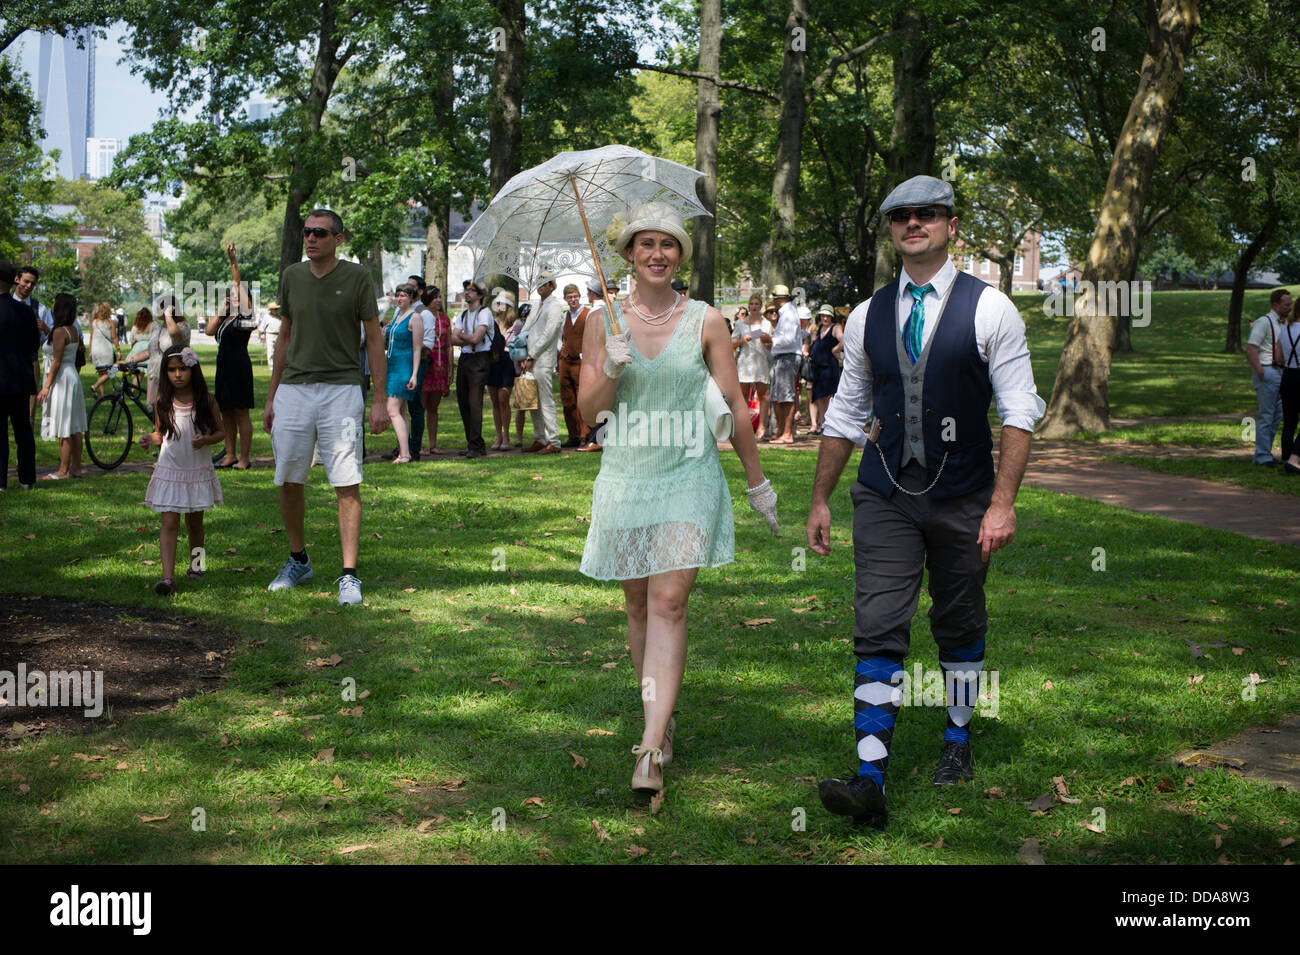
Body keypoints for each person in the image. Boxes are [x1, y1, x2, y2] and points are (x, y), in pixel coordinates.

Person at [806, 175, 1045, 829]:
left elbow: (1020, 411)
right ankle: (870, 774)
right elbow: (848, 413)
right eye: (901, 216)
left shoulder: (991, 308)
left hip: (965, 491)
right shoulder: (866, 315)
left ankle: (958, 737)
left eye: (928, 214)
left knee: (959, 619)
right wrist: (822, 497)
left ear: (950, 225)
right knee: (879, 619)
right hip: (885, 491)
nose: (914, 224)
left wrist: (1003, 503)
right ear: (890, 229)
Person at [578, 201, 779, 795]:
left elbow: (734, 405)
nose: (658, 254)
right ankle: (657, 721)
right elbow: (591, 415)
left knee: (668, 602)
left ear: (680, 255)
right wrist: (611, 368)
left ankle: (648, 750)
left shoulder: (708, 320)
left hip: (689, 472)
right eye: (647, 245)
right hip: (627, 475)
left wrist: (756, 480)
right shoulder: (601, 321)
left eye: (669, 245)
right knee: (637, 606)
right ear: (629, 254)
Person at [263, 208, 389, 606]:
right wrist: (271, 397)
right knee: (288, 477)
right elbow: (284, 337)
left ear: (339, 239)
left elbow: (373, 340)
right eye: (306, 232)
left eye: (319, 233)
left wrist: (380, 400)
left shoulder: (357, 278)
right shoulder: (292, 277)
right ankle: (298, 560)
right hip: (294, 391)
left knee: (346, 480)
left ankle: (349, 575)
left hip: (341, 390)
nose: (311, 238)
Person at [139, 345, 225, 595]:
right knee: (168, 522)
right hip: (170, 470)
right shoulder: (162, 402)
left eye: (183, 369)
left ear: (193, 370)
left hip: (195, 470)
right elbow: (161, 433)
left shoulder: (206, 401)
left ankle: (197, 566)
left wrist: (207, 440)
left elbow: (221, 432)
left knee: (195, 525)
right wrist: (150, 438)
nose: (177, 374)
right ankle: (167, 578)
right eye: (172, 370)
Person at [209, 245, 257, 470]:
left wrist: (233, 261)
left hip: (239, 368)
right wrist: (221, 310)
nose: (234, 298)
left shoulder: (244, 318)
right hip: (224, 368)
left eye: (237, 296)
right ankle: (230, 454)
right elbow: (209, 331)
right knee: (226, 411)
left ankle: (244, 458)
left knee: (241, 413)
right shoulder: (225, 319)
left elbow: (238, 283)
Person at [36, 293, 87, 479]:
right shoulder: (72, 330)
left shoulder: (59, 332)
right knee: (74, 425)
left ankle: (63, 470)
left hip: (61, 378)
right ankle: (76, 467)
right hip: (71, 375)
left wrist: (46, 387)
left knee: (64, 425)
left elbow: (56, 361)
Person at [0, 260, 39, 490]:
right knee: (23, 431)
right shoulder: (26, 312)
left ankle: (1, 481)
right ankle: (27, 478)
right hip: (21, 378)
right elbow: (33, 345)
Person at [520, 272, 564, 454]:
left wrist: (531, 354)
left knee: (546, 401)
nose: (540, 286)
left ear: (551, 286)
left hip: (543, 359)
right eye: (538, 283)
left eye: (544, 283)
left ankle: (553, 440)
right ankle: (539, 437)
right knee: (532, 400)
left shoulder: (555, 306)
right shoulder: (537, 304)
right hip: (530, 357)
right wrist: (520, 348)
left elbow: (549, 333)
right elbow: (526, 327)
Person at [1247, 288, 1291, 467]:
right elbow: (1251, 348)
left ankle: (1266, 452)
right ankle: (1262, 456)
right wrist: (1259, 370)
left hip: (1280, 371)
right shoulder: (1263, 322)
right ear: (1275, 305)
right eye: (1286, 304)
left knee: (1276, 415)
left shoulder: (1283, 322)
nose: (1289, 307)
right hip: (1268, 370)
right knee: (1267, 414)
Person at [450, 280, 492, 458]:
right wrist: (466, 337)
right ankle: (472, 443)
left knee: (475, 403)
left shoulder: (485, 313)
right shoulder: (464, 314)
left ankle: (476, 445)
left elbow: (477, 338)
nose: (467, 293)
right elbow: (453, 338)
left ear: (480, 295)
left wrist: (463, 336)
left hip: (480, 358)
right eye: (466, 290)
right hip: (466, 357)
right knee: (463, 401)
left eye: (471, 291)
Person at [383, 285, 424, 463]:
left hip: (404, 367)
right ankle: (404, 451)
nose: (400, 299)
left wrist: (414, 374)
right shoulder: (396, 316)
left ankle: (405, 453)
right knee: (400, 410)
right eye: (398, 295)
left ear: (411, 298)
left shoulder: (415, 317)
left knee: (392, 409)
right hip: (392, 366)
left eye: (404, 296)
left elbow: (417, 349)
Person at [12, 265, 52, 428]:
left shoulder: (40, 308)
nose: (29, 286)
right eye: (26, 281)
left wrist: (45, 329)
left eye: (32, 284)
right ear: (17, 279)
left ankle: (27, 428)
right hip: (7, 360)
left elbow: (51, 339)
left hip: (31, 360)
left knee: (30, 402)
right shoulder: (5, 303)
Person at [486, 289, 522, 451]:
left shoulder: (516, 324)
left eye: (502, 303)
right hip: (493, 361)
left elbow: (522, 343)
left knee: (503, 399)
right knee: (494, 400)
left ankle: (506, 435)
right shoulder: (491, 322)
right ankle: (498, 435)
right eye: (497, 302)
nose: (499, 306)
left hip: (508, 362)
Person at [731, 302, 773, 440]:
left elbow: (771, 346)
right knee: (743, 395)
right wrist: (743, 339)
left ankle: (761, 426)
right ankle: (744, 427)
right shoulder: (740, 324)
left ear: (760, 306)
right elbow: (732, 344)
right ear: (749, 306)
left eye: (757, 304)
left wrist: (767, 341)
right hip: (745, 361)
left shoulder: (766, 323)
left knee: (763, 395)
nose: (754, 306)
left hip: (760, 360)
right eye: (752, 304)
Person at [558, 283, 591, 448]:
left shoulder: (588, 314)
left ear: (580, 296)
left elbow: (593, 336)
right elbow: (560, 338)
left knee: (582, 399)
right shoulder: (564, 316)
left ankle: (585, 434)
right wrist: (561, 353)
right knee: (567, 399)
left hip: (581, 362)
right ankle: (573, 435)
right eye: (570, 297)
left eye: (575, 296)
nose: (573, 299)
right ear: (565, 299)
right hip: (565, 361)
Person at [419, 287, 451, 455]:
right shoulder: (421, 317)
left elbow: (449, 346)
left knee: (434, 407)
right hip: (426, 364)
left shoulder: (445, 319)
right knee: (421, 406)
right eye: (434, 298)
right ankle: (420, 444)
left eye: (440, 297)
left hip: (440, 367)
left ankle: (433, 444)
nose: (438, 300)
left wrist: (450, 369)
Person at [768, 285, 801, 443]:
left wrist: (771, 340)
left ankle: (787, 433)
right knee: (777, 397)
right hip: (781, 357)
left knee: (786, 397)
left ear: (779, 299)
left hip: (788, 357)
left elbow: (788, 340)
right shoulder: (785, 313)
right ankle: (782, 432)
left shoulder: (788, 314)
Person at [146, 295, 191, 408]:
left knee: (169, 408)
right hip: (155, 372)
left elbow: (174, 333)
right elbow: (151, 351)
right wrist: (131, 360)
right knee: (156, 408)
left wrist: (168, 314)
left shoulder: (183, 326)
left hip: (172, 374)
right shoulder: (158, 327)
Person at [1273, 293, 1300, 475]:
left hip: (1288, 376)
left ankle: (1286, 456)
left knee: (1289, 421)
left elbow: (1278, 357)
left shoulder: (1285, 329)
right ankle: (1295, 458)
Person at [807, 304, 843, 434]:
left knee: (828, 396)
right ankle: (819, 424)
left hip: (829, 367)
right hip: (817, 368)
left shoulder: (835, 328)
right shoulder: (818, 329)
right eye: (823, 315)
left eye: (827, 315)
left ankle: (828, 424)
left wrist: (835, 349)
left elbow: (843, 340)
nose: (825, 318)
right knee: (818, 397)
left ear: (832, 317)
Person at [87, 302, 119, 398]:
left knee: (101, 372)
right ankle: (95, 386)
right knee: (111, 371)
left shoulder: (93, 323)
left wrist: (90, 352)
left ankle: (102, 395)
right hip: (106, 350)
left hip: (95, 350)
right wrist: (118, 350)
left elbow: (91, 337)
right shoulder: (110, 323)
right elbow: (114, 337)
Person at [261, 302, 283, 370]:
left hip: (279, 334)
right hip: (270, 335)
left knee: (280, 351)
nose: (276, 310)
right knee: (270, 351)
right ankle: (271, 367)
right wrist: (262, 334)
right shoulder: (267, 316)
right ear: (271, 310)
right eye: (274, 309)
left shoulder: (280, 316)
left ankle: (279, 365)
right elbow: (262, 326)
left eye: (276, 309)